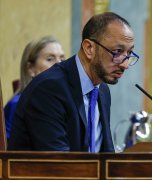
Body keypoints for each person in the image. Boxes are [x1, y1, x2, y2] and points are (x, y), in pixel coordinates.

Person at [8, 12, 139, 152]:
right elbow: (59, 162)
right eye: (117, 52)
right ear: (89, 48)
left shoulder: (102, 89)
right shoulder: (48, 89)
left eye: (129, 53)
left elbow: (105, 153)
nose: (125, 65)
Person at [4, 36, 65, 139]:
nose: (59, 64)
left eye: (62, 58)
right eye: (50, 59)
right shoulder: (17, 104)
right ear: (30, 68)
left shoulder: (65, 102)